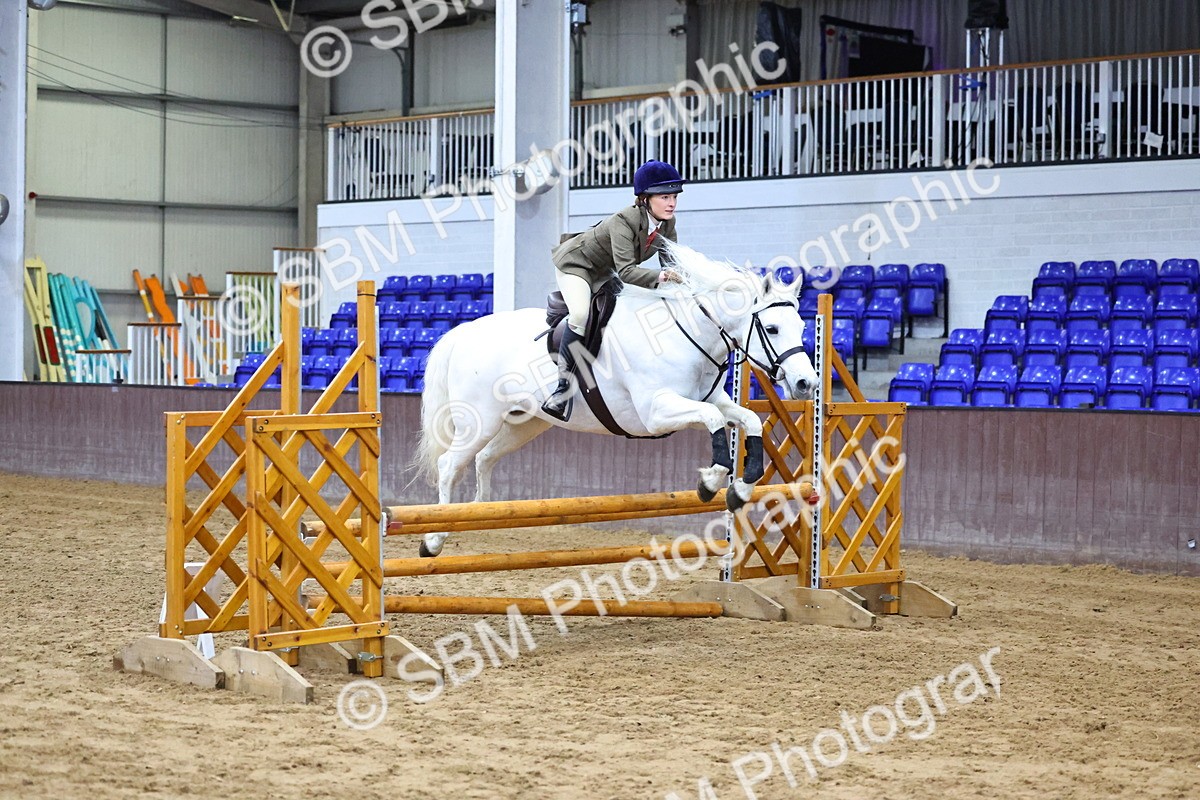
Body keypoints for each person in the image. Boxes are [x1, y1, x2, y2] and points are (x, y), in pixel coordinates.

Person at [541, 160, 686, 420]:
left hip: (605, 269)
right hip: (577, 265)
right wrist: (663, 276)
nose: (671, 203)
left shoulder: (667, 223)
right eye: (664, 197)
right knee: (580, 315)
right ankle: (561, 390)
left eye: (674, 196)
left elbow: (672, 262)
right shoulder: (624, 220)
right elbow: (628, 272)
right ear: (644, 199)